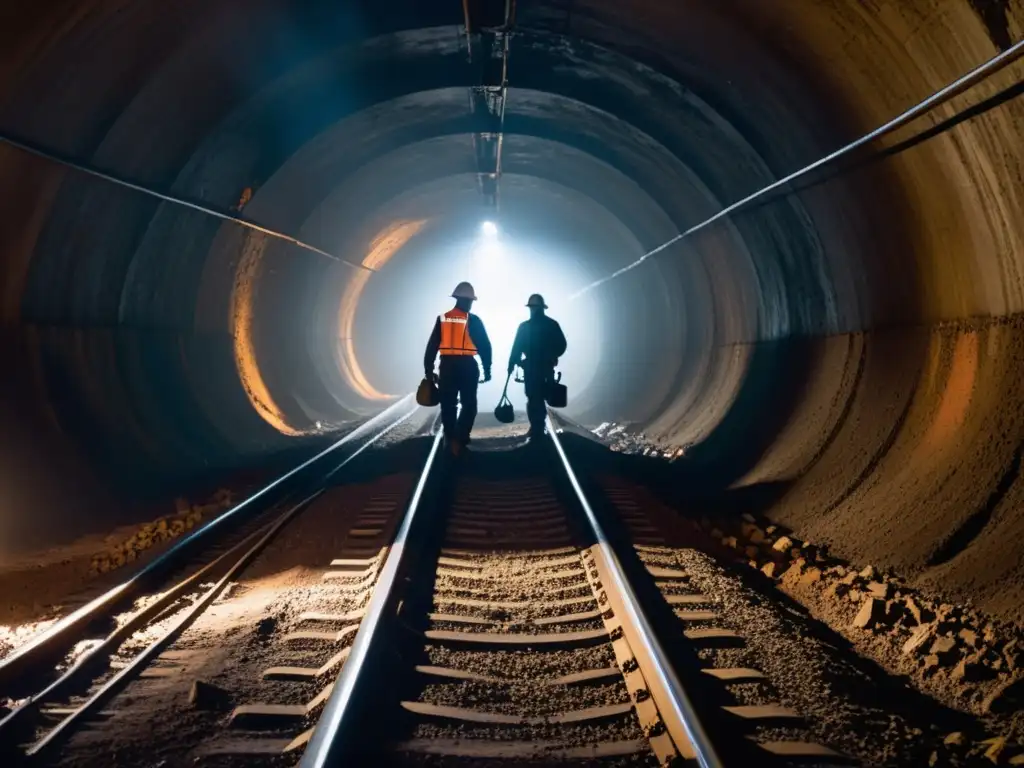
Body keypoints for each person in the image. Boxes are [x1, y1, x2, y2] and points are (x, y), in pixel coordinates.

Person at [424, 281, 492, 455]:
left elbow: (432, 345)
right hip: (468, 367)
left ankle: (449, 439)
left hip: (447, 367)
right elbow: (485, 346)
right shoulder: (474, 320)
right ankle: (459, 438)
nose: (470, 304)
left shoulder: (443, 319)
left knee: (449, 405)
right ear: (468, 300)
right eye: (470, 301)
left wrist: (429, 369)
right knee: (469, 405)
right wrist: (487, 369)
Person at [507, 294, 567, 439]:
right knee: (541, 396)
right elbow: (562, 345)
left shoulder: (525, 327)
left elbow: (516, 349)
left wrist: (512, 365)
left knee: (534, 398)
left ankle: (537, 428)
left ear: (531, 309)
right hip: (545, 367)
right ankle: (538, 428)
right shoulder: (552, 324)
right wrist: (553, 355)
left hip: (531, 368)